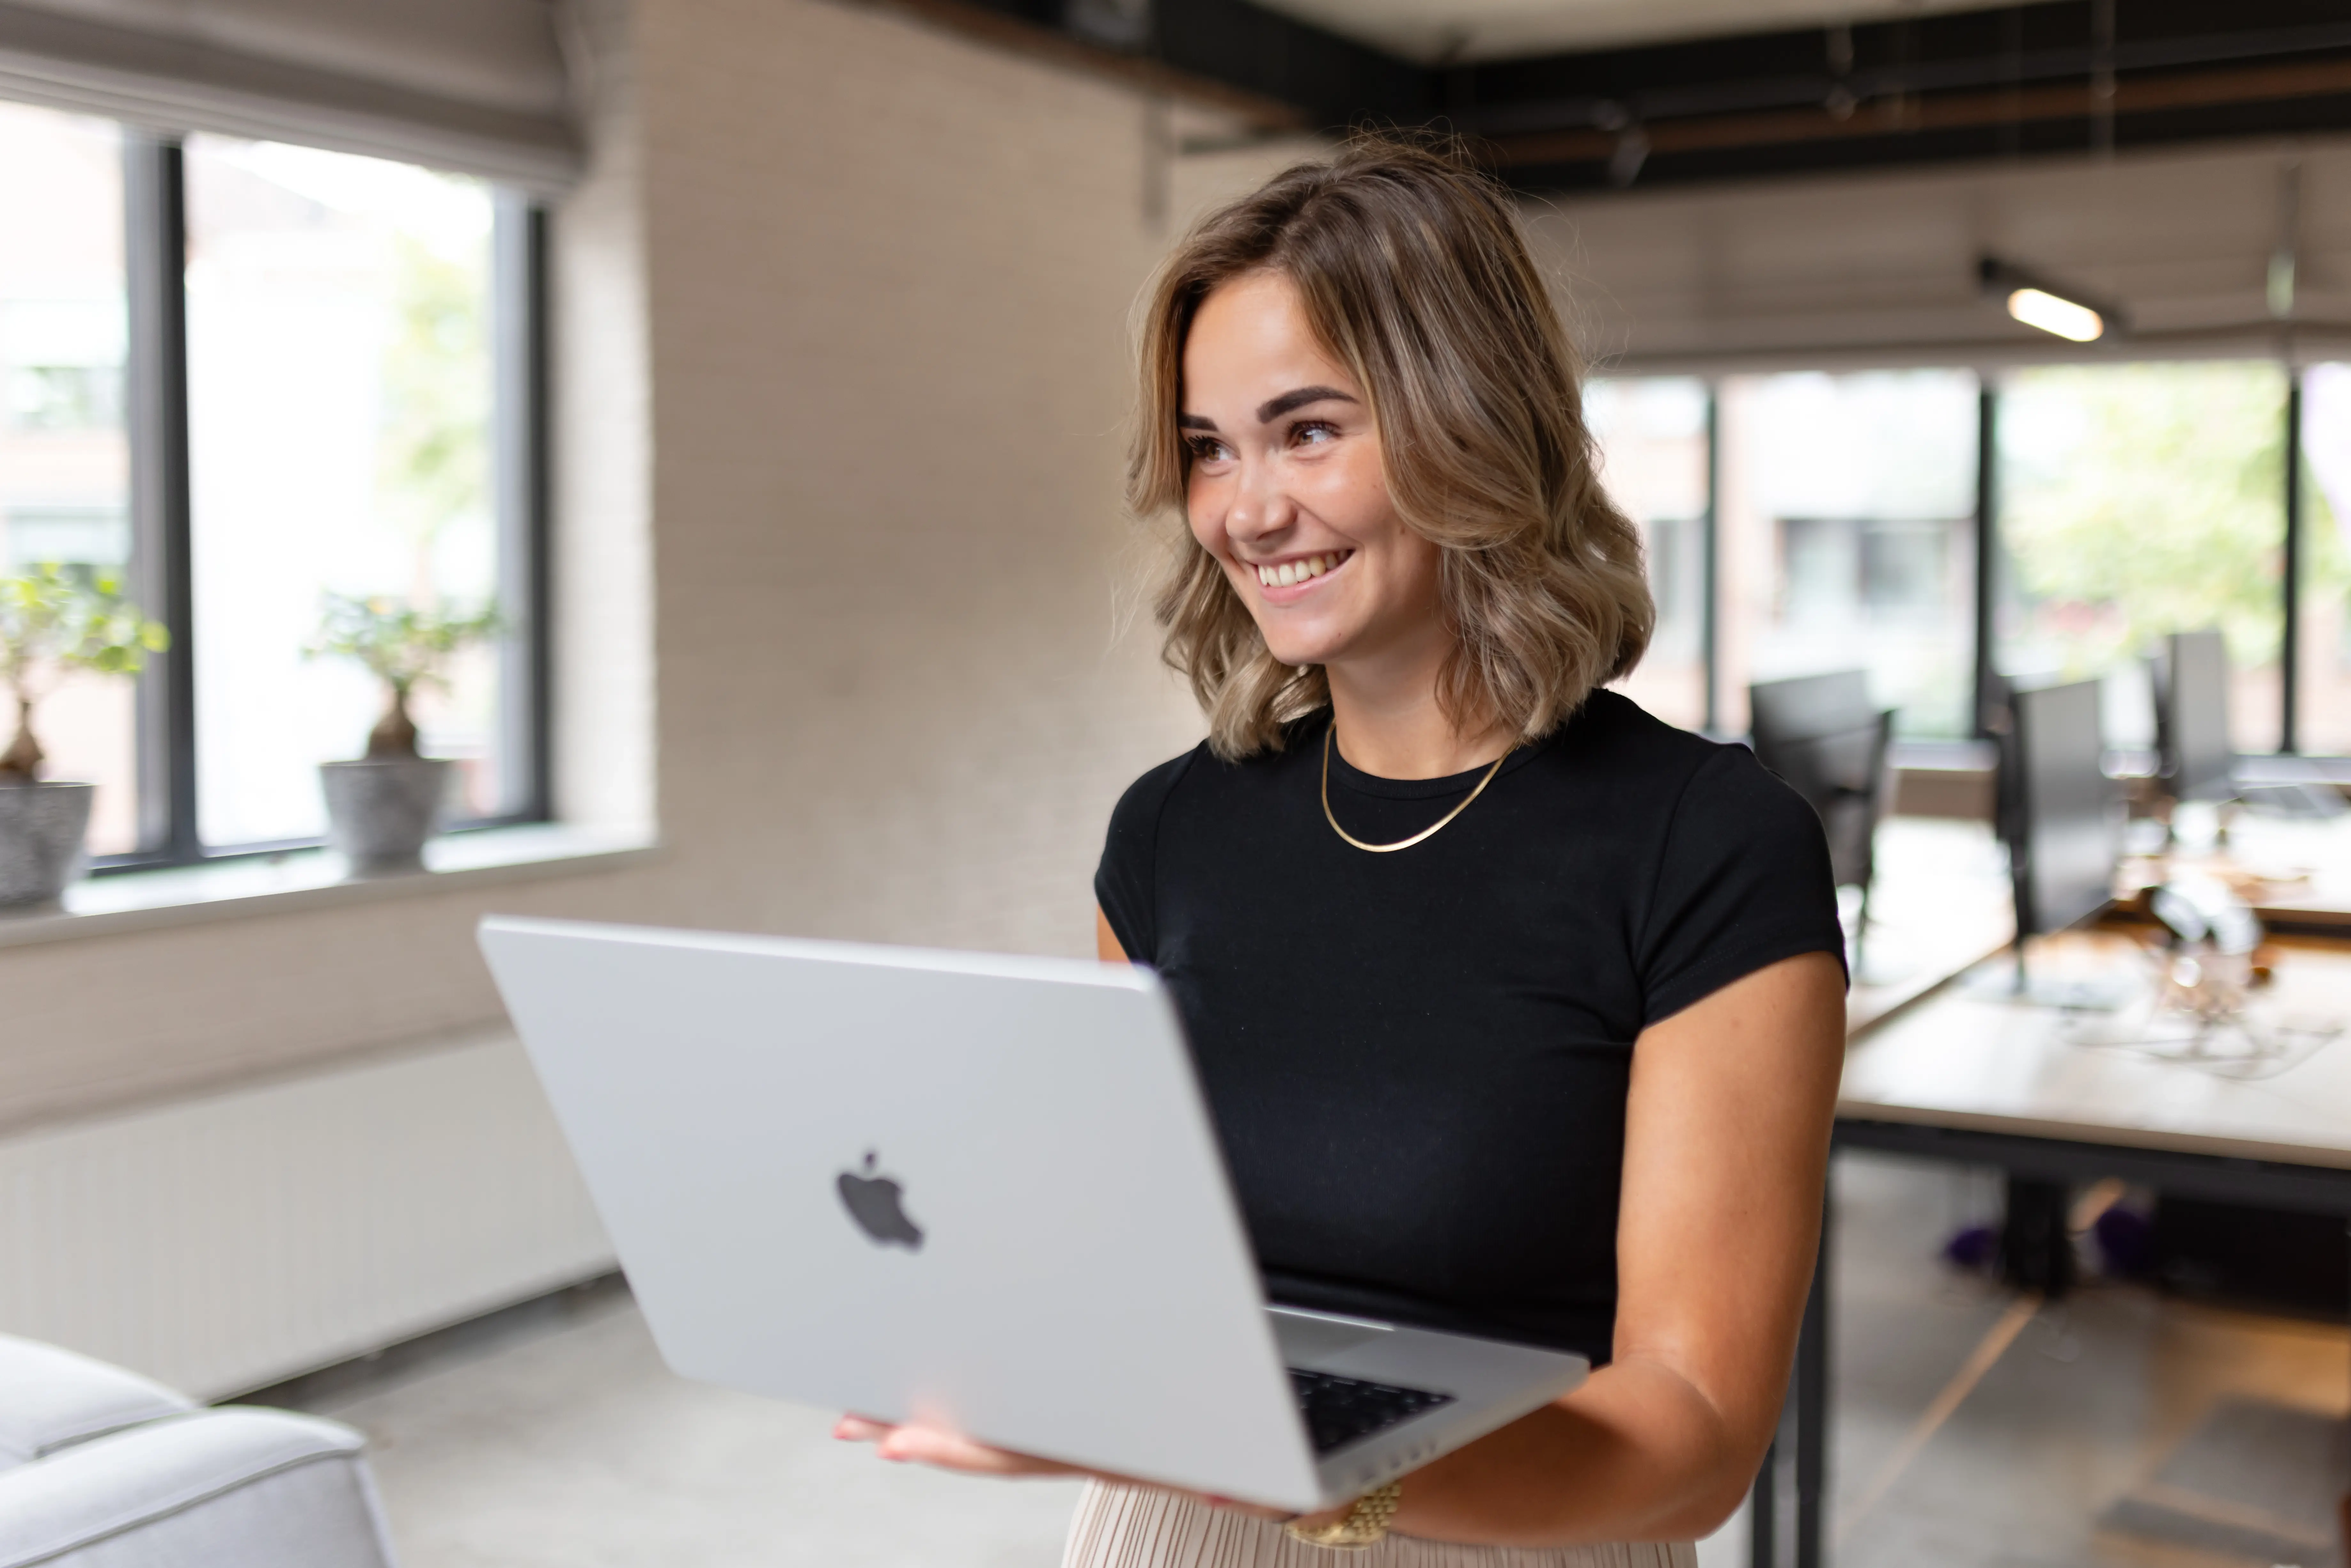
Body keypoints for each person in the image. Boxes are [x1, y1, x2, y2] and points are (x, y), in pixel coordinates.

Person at [837, 137, 1848, 1565]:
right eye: (1208, 447)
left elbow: (1689, 1437)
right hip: (1168, 1528)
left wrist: (1305, 1469)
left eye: (1306, 429)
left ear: (1470, 423)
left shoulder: (1705, 845)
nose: (1245, 509)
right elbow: (1136, 1274)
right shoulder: (1170, 831)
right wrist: (1020, 1343)